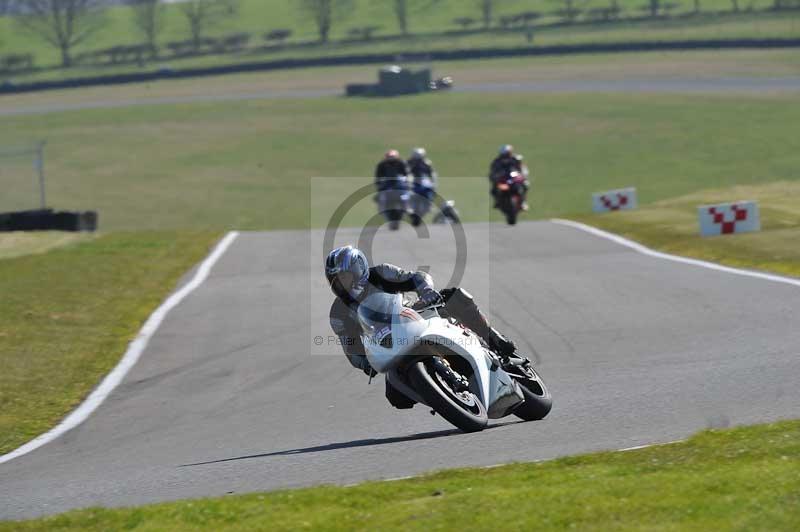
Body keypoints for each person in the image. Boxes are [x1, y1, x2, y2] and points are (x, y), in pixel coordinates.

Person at [326, 245, 517, 376]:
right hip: (388, 344)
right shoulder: (338, 313)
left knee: (454, 296)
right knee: (397, 398)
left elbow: (416, 278)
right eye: (337, 281)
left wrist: (426, 292)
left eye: (345, 276)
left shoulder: (382, 273)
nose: (343, 283)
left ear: (359, 268)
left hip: (413, 314)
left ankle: (493, 338)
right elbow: (350, 347)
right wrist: (365, 363)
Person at [489, 144, 530, 210]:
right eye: (505, 154)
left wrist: (523, 174)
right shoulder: (497, 161)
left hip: (513, 176)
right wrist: (493, 176)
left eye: (508, 153)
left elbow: (522, 168)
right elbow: (493, 170)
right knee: (493, 189)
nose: (507, 155)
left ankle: (523, 202)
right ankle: (497, 201)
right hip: (502, 177)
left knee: (525, 184)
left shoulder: (516, 159)